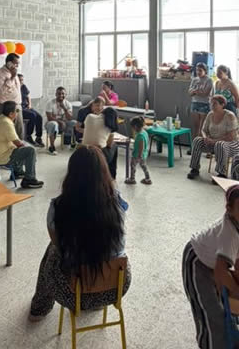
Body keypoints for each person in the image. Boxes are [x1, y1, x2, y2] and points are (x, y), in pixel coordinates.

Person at [28, 145, 130, 320]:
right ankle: (97, 301)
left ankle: (40, 307)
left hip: (72, 293)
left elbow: (58, 245)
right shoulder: (116, 201)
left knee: (52, 250)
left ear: (71, 174)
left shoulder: (58, 207)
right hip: (115, 288)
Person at [182, 184, 239, 349]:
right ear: (229, 210)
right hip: (196, 262)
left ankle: (232, 344)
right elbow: (221, 272)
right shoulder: (229, 235)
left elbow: (238, 252)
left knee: (224, 307)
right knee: (210, 312)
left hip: (214, 262)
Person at [0, 101, 43, 189]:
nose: (18, 113)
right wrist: (30, 153)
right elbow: (18, 143)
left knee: (21, 147)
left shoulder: (0, 119)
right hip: (2, 156)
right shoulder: (6, 123)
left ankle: (18, 172)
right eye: (17, 111)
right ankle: (29, 180)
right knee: (30, 151)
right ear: (11, 114)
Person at [188, 95, 239, 180]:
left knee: (220, 144)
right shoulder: (210, 114)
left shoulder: (230, 115)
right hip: (213, 142)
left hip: (231, 144)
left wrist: (214, 141)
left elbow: (231, 136)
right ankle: (194, 169)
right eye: (211, 103)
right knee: (197, 140)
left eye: (215, 103)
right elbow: (203, 130)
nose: (212, 105)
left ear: (222, 105)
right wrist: (205, 138)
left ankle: (221, 174)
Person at [82, 97, 119, 179]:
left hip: (84, 149)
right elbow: (109, 144)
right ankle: (111, 176)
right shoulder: (110, 126)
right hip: (98, 153)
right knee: (114, 146)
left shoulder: (89, 116)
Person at [0, 53, 23, 139]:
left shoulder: (14, 72)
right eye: (16, 63)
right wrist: (12, 77)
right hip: (5, 106)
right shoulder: (0, 74)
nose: (17, 66)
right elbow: (2, 92)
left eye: (18, 63)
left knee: (18, 129)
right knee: (6, 129)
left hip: (17, 105)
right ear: (9, 63)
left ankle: (19, 146)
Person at [188, 63, 214, 152]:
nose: (198, 72)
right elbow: (189, 93)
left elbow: (205, 93)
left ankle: (202, 147)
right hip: (195, 103)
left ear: (205, 71)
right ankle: (194, 146)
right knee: (195, 127)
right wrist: (197, 92)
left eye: (200, 70)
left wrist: (195, 91)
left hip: (204, 104)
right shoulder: (194, 79)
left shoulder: (209, 80)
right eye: (197, 70)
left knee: (202, 128)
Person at [45, 86, 77, 155]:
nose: (61, 95)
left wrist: (64, 108)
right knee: (53, 124)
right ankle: (52, 147)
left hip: (64, 122)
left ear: (66, 95)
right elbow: (49, 118)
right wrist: (60, 121)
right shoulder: (50, 103)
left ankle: (74, 143)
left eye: (63, 94)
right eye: (59, 94)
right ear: (55, 94)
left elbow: (69, 118)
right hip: (51, 122)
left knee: (75, 123)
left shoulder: (68, 104)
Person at [19, 74, 45, 148]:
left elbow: (28, 97)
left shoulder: (24, 87)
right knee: (32, 115)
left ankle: (38, 137)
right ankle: (28, 136)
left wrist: (29, 105)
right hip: (20, 109)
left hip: (27, 107)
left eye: (22, 80)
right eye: (19, 80)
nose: (21, 81)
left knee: (39, 117)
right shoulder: (14, 88)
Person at [125, 116, 151, 185]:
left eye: (132, 127)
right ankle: (148, 179)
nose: (132, 129)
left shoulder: (140, 136)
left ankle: (132, 179)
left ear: (135, 126)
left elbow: (141, 146)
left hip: (137, 155)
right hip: (144, 154)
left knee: (132, 166)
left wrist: (139, 155)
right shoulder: (144, 132)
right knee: (144, 166)